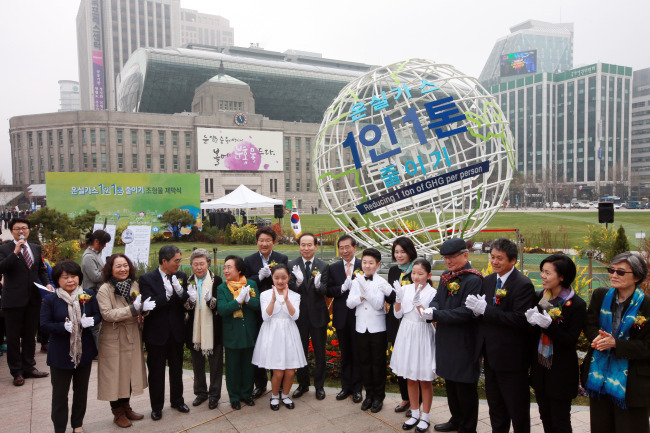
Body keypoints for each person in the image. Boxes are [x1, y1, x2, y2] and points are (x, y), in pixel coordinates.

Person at [465, 237, 536, 433]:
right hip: (491, 355)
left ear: (513, 261)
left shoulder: (523, 284)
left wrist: (486, 310)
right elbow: (485, 314)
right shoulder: (488, 281)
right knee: (495, 407)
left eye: (500, 258)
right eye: (492, 257)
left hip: (512, 359)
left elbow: (519, 320)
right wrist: (476, 312)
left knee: (517, 408)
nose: (494, 262)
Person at [582, 252, 650, 433]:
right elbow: (590, 324)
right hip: (599, 377)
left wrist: (616, 344)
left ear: (636, 276)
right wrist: (597, 338)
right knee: (601, 427)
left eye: (620, 272)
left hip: (632, 383)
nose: (613, 275)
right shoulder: (600, 295)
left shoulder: (647, 305)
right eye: (611, 270)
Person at [421, 237, 483, 433]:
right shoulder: (448, 276)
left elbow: (467, 312)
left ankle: (468, 426)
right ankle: (456, 419)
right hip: (446, 338)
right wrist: (433, 309)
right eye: (445, 257)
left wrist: (436, 314)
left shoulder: (473, 279)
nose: (448, 262)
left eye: (452, 257)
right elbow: (438, 299)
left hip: (464, 342)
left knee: (465, 387)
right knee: (451, 384)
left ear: (465, 255)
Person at [525, 254, 586, 433]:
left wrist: (549, 327)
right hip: (541, 368)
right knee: (545, 416)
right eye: (542, 271)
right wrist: (529, 323)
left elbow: (570, 341)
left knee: (560, 421)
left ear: (562, 276)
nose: (543, 276)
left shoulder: (576, 305)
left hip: (561, 371)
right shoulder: (541, 298)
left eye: (548, 273)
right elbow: (533, 336)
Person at [40, 260, 101, 433]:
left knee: (81, 392)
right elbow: (43, 325)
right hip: (60, 354)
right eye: (65, 277)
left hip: (84, 352)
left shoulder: (88, 295)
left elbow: (98, 315)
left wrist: (92, 321)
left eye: (73, 276)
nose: (70, 280)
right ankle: (59, 428)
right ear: (57, 279)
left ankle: (77, 425)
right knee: (59, 395)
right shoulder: (51, 299)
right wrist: (61, 327)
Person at [97, 253, 153, 428]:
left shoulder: (134, 285)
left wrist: (144, 310)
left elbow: (138, 308)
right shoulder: (104, 289)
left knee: (128, 373)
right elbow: (107, 314)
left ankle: (126, 406)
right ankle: (117, 412)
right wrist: (132, 309)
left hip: (132, 335)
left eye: (125, 265)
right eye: (118, 266)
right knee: (115, 375)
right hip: (113, 337)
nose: (123, 269)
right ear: (110, 269)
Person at [0, 217, 54, 386]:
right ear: (11, 231)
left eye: (24, 228)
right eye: (17, 229)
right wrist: (15, 252)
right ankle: (16, 371)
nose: (21, 231)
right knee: (14, 338)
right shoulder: (5, 248)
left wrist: (47, 283)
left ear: (29, 230)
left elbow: (40, 269)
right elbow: (2, 268)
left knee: (30, 335)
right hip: (13, 300)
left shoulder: (36, 248)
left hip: (33, 299)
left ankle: (29, 366)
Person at [139, 245, 190, 421]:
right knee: (156, 372)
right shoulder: (147, 279)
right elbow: (148, 303)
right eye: (176, 261)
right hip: (156, 334)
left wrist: (182, 293)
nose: (179, 264)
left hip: (176, 332)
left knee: (177, 370)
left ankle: (177, 400)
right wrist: (166, 296)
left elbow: (185, 301)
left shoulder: (181, 276)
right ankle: (156, 406)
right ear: (164, 261)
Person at [391, 259, 437, 432]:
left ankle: (426, 416)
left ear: (428, 275)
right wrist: (398, 299)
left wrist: (418, 304)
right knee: (410, 376)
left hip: (422, 334)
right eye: (414, 273)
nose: (416, 277)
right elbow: (397, 314)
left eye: (420, 274)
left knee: (424, 378)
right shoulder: (405, 288)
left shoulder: (432, 293)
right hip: (406, 332)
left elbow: (428, 317)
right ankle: (414, 413)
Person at [252, 264, 307, 410]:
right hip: (272, 333)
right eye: (276, 278)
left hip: (289, 333)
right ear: (272, 278)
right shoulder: (265, 295)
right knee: (278, 370)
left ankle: (286, 395)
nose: (280, 281)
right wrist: (273, 300)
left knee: (290, 371)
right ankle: (275, 396)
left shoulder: (296, 296)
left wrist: (287, 299)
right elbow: (265, 317)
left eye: (283, 278)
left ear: (289, 277)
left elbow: (295, 316)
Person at [243, 226, 288, 398]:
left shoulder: (281, 258)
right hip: (257, 310)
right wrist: (259, 277)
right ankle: (260, 384)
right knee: (259, 346)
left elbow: (284, 278)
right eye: (261, 240)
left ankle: (280, 384)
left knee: (277, 346)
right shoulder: (249, 260)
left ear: (273, 242)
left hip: (277, 309)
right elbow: (245, 282)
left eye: (268, 240)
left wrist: (273, 277)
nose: (264, 243)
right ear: (257, 242)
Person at [346, 247, 393, 413]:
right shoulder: (356, 281)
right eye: (364, 262)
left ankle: (379, 396)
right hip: (361, 328)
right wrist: (360, 295)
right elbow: (349, 303)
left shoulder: (381, 282)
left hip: (377, 328)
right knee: (364, 363)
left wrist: (366, 292)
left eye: (371, 263)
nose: (367, 265)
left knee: (378, 364)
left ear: (378, 265)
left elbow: (379, 304)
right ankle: (369, 395)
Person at [288, 233, 330, 400]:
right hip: (299, 317)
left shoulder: (323, 265)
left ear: (315, 246)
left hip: (318, 315)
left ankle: (319, 386)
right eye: (303, 245)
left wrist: (319, 285)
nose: (306, 248)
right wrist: (298, 283)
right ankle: (303, 384)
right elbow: (289, 287)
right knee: (301, 352)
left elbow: (325, 290)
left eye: (309, 245)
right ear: (299, 246)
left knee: (320, 353)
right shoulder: (291, 264)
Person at [217, 255, 260, 410]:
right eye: (225, 267)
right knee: (233, 367)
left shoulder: (251, 284)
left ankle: (246, 394)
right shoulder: (222, 288)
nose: (226, 270)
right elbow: (222, 309)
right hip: (232, 333)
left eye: (229, 267)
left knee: (248, 366)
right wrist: (237, 302)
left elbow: (257, 305)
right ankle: (234, 396)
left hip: (248, 332)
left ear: (239, 269)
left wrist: (247, 299)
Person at [184, 248, 224, 410]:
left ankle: (214, 395)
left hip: (214, 329)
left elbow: (220, 306)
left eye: (202, 264)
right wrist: (190, 302)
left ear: (208, 263)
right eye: (195, 264)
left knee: (215, 365)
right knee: (197, 364)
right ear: (191, 266)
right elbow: (185, 307)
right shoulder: (187, 281)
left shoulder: (217, 280)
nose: (199, 267)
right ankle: (201, 392)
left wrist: (210, 300)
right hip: (194, 330)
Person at [327, 234, 363, 403]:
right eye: (341, 248)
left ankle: (357, 389)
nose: (344, 251)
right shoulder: (333, 268)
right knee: (345, 353)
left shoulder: (363, 264)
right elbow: (328, 290)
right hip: (341, 316)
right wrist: (341, 288)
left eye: (347, 247)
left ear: (354, 247)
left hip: (360, 316)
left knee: (357, 353)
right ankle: (345, 387)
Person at [385, 236, 418, 414]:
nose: (399, 255)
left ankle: (417, 402)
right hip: (395, 322)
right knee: (399, 362)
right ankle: (405, 398)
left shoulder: (417, 269)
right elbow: (391, 297)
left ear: (410, 252)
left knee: (412, 363)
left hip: (412, 323)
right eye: (396, 252)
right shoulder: (393, 271)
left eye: (402, 252)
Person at [81, 229, 112, 350]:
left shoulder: (95, 254)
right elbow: (95, 276)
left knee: (98, 325)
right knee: (95, 324)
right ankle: (96, 351)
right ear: (96, 241)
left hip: (97, 291)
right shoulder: (88, 257)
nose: (104, 246)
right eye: (103, 243)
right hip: (92, 292)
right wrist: (108, 270)